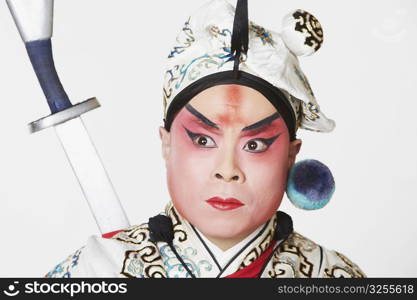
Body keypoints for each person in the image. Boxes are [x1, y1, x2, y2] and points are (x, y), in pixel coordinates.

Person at [46, 0, 366, 278]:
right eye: (202, 140)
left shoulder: (331, 275)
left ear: (291, 156)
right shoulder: (98, 271)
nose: (227, 169)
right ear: (167, 144)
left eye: (254, 145)